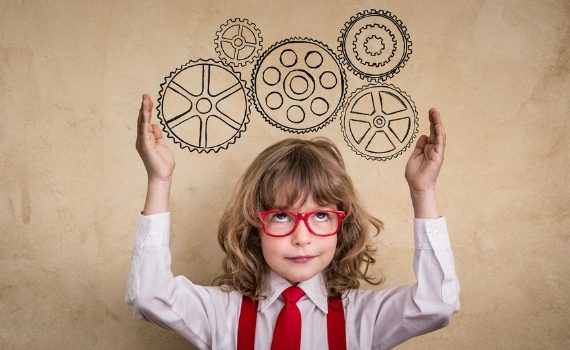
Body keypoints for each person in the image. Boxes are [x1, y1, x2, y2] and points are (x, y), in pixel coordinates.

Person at [125, 94, 460, 349]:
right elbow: (149, 295)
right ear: (254, 226)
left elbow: (437, 304)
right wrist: (159, 181)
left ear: (341, 228)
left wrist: (423, 190)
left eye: (320, 215)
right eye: (282, 215)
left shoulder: (363, 317)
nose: (302, 237)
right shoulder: (222, 312)